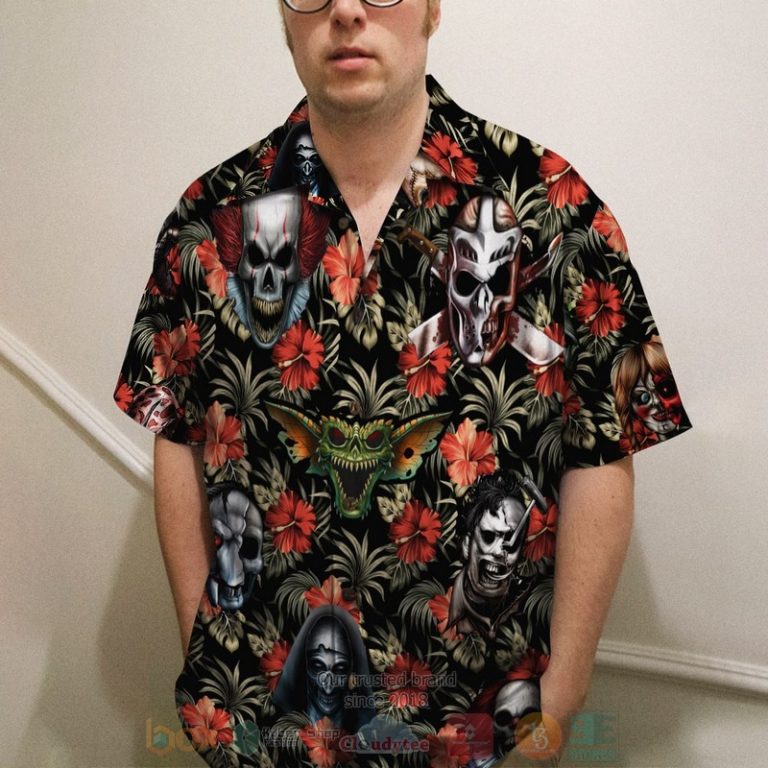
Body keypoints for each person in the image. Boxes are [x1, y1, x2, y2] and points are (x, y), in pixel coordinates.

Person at [113, 1, 693, 766]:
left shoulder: (555, 210)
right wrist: (202, 643)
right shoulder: (207, 220)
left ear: (432, 9)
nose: (347, 10)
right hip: (260, 726)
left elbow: (605, 446)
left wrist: (564, 693)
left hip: (481, 732)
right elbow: (178, 432)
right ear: (284, 16)